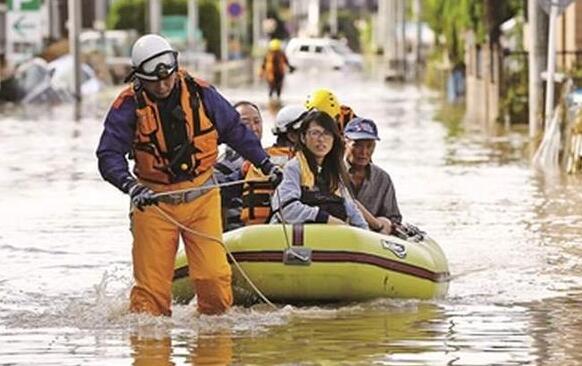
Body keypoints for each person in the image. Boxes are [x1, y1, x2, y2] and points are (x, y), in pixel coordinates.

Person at [96, 34, 282, 316]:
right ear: (139, 78)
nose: (162, 84)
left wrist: (266, 165)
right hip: (154, 203)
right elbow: (108, 155)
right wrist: (130, 186)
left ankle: (212, 350)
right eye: (153, 81)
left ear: (175, 68)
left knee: (214, 282)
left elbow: (235, 132)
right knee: (150, 299)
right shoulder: (127, 107)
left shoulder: (202, 94)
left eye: (167, 77)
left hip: (202, 199)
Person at [270, 110, 368, 229]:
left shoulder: (335, 172)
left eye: (327, 133)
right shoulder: (293, 167)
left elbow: (352, 210)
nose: (321, 139)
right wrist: (325, 218)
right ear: (303, 138)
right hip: (298, 240)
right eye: (315, 133)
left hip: (331, 238)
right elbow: (285, 208)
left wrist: (364, 231)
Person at [239, 105, 307, 225]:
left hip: (252, 230)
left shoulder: (256, 159)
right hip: (281, 229)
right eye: (309, 132)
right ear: (292, 136)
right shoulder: (300, 162)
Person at [344, 117, 402, 234]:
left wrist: (381, 224)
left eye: (369, 146)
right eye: (357, 145)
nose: (364, 152)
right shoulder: (332, 174)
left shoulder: (382, 178)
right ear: (345, 143)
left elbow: (393, 219)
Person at [214, 101, 263, 231]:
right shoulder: (220, 167)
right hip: (235, 236)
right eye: (245, 123)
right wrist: (242, 173)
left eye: (257, 122)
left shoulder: (272, 162)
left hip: (267, 234)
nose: (253, 128)